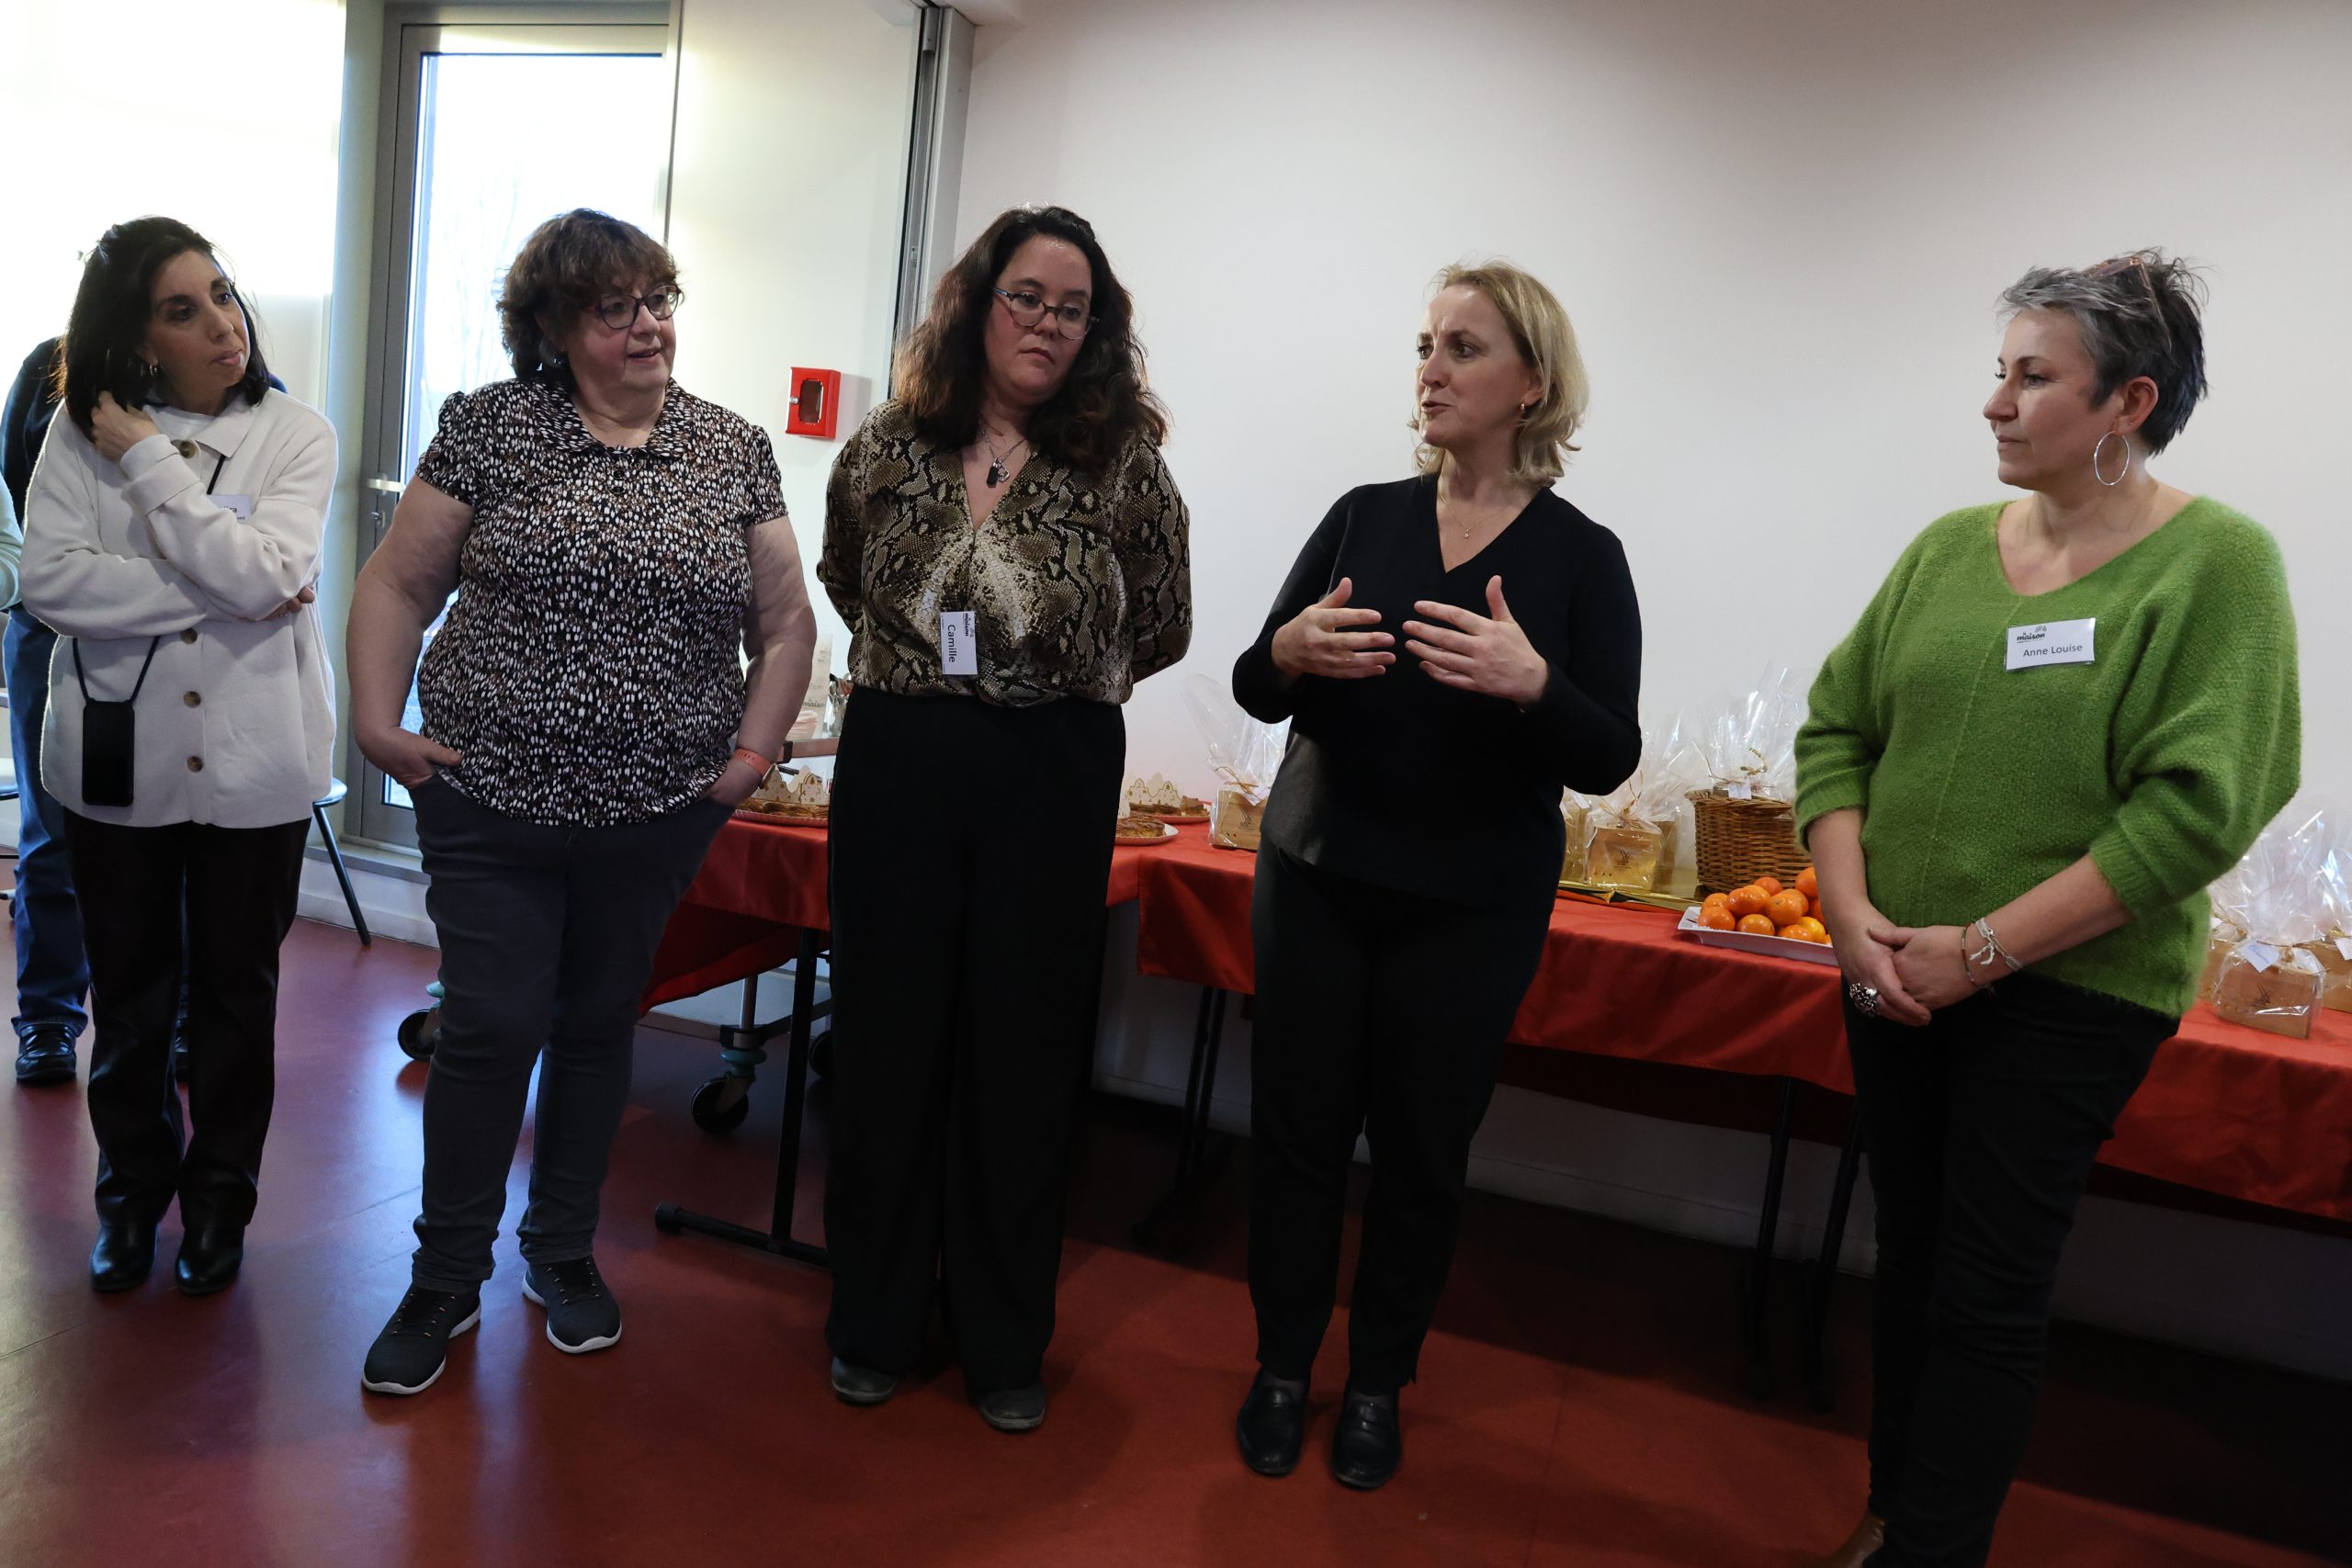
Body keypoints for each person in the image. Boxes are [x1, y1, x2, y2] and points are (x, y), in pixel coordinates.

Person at [1793, 252, 2300, 1568]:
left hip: (2068, 992)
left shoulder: (2218, 564)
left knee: (1985, 1282)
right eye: (1999, 373)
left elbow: (2197, 809)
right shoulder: (1949, 549)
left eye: (2033, 377)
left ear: (2127, 402)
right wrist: (1851, 917)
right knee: (1906, 1260)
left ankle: (1933, 1547)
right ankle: (1894, 1511)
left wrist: (1982, 948)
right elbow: (1838, 730)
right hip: (1894, 968)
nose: (1997, 404)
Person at [348, 209, 816, 1397]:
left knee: (603, 1021)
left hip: (655, 807)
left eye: (658, 297)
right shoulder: (494, 429)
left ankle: (559, 1252)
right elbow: (401, 580)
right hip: (491, 794)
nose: (648, 322)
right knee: (496, 1022)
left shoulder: (729, 447)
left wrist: (749, 758)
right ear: (554, 329)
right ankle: (446, 1273)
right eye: (616, 306)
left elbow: (785, 620)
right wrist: (377, 721)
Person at [1227, 262, 1642, 1488]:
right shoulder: (1365, 515)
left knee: (1419, 1152)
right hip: (1319, 875)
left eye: (1462, 348)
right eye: (1425, 345)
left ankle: (1375, 1386)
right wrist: (1288, 651)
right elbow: (1260, 682)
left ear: (1532, 384)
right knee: (1298, 1138)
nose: (1431, 369)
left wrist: (1536, 684)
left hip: (1469, 907)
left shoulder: (1581, 556)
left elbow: (1608, 751)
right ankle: (1282, 1366)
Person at [818, 205, 1191, 1433]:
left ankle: (1001, 1339)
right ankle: (871, 1318)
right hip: (901, 755)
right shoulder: (887, 441)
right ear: (979, 303)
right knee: (886, 1038)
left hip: (1053, 765)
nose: (1046, 322)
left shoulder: (1123, 456)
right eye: (1026, 295)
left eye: (1072, 307)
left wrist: (1049, 671)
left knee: (1022, 1051)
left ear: (1098, 330)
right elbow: (844, 569)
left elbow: (1167, 617)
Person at [18, 217, 335, 1295]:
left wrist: (152, 467)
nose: (222, 325)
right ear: (139, 337)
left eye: (224, 295)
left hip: (257, 765)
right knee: (133, 1001)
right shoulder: (78, 431)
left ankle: (218, 1208)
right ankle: (131, 1200)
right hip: (118, 763)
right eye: (182, 309)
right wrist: (226, 579)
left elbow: (266, 577)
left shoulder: (296, 435)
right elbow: (51, 588)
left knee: (239, 1003)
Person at [4, 336, 91, 1088]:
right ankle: (49, 1020)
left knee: (184, 832)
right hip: (46, 623)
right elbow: (13, 484)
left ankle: (189, 1010)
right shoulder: (46, 368)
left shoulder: (238, 383)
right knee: (50, 830)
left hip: (170, 633)